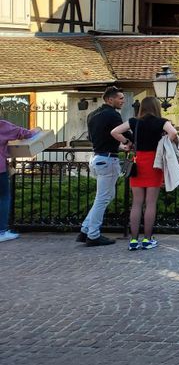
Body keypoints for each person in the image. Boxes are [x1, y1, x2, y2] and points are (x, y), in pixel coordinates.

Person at [112, 96, 178, 251]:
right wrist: (165, 142)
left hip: (138, 162)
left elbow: (114, 132)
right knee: (150, 203)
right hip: (154, 163)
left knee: (136, 203)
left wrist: (127, 143)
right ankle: (147, 240)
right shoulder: (161, 122)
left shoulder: (134, 122)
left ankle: (133, 240)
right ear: (156, 107)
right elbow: (173, 133)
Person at [78, 86, 128, 246]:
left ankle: (86, 229)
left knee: (104, 197)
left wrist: (119, 147)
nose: (123, 101)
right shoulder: (113, 115)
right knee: (103, 198)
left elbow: (97, 139)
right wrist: (128, 143)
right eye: (120, 98)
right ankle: (93, 235)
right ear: (109, 99)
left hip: (97, 158)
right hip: (108, 161)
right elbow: (125, 135)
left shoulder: (93, 115)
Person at [0, 119, 41, 243]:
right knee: (3, 198)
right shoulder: (2, 125)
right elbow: (25, 133)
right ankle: (1, 231)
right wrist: (37, 129)